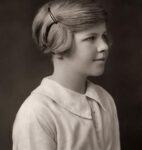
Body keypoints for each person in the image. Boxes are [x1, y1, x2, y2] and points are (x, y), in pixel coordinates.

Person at [12, 0, 120, 150]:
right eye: (90, 38)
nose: (104, 46)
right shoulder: (37, 113)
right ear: (59, 43)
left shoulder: (105, 100)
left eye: (104, 36)